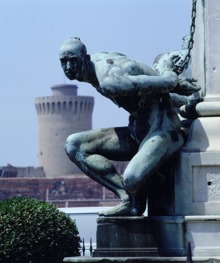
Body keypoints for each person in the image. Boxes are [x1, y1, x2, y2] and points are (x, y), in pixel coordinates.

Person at [59, 37, 199, 216]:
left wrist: (167, 68)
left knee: (132, 179)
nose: (69, 67)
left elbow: (168, 82)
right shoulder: (100, 59)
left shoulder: (109, 82)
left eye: (74, 60)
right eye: (64, 61)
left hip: (163, 130)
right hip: (137, 131)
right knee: (75, 145)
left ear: (85, 58)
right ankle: (129, 199)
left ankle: (140, 188)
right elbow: (153, 87)